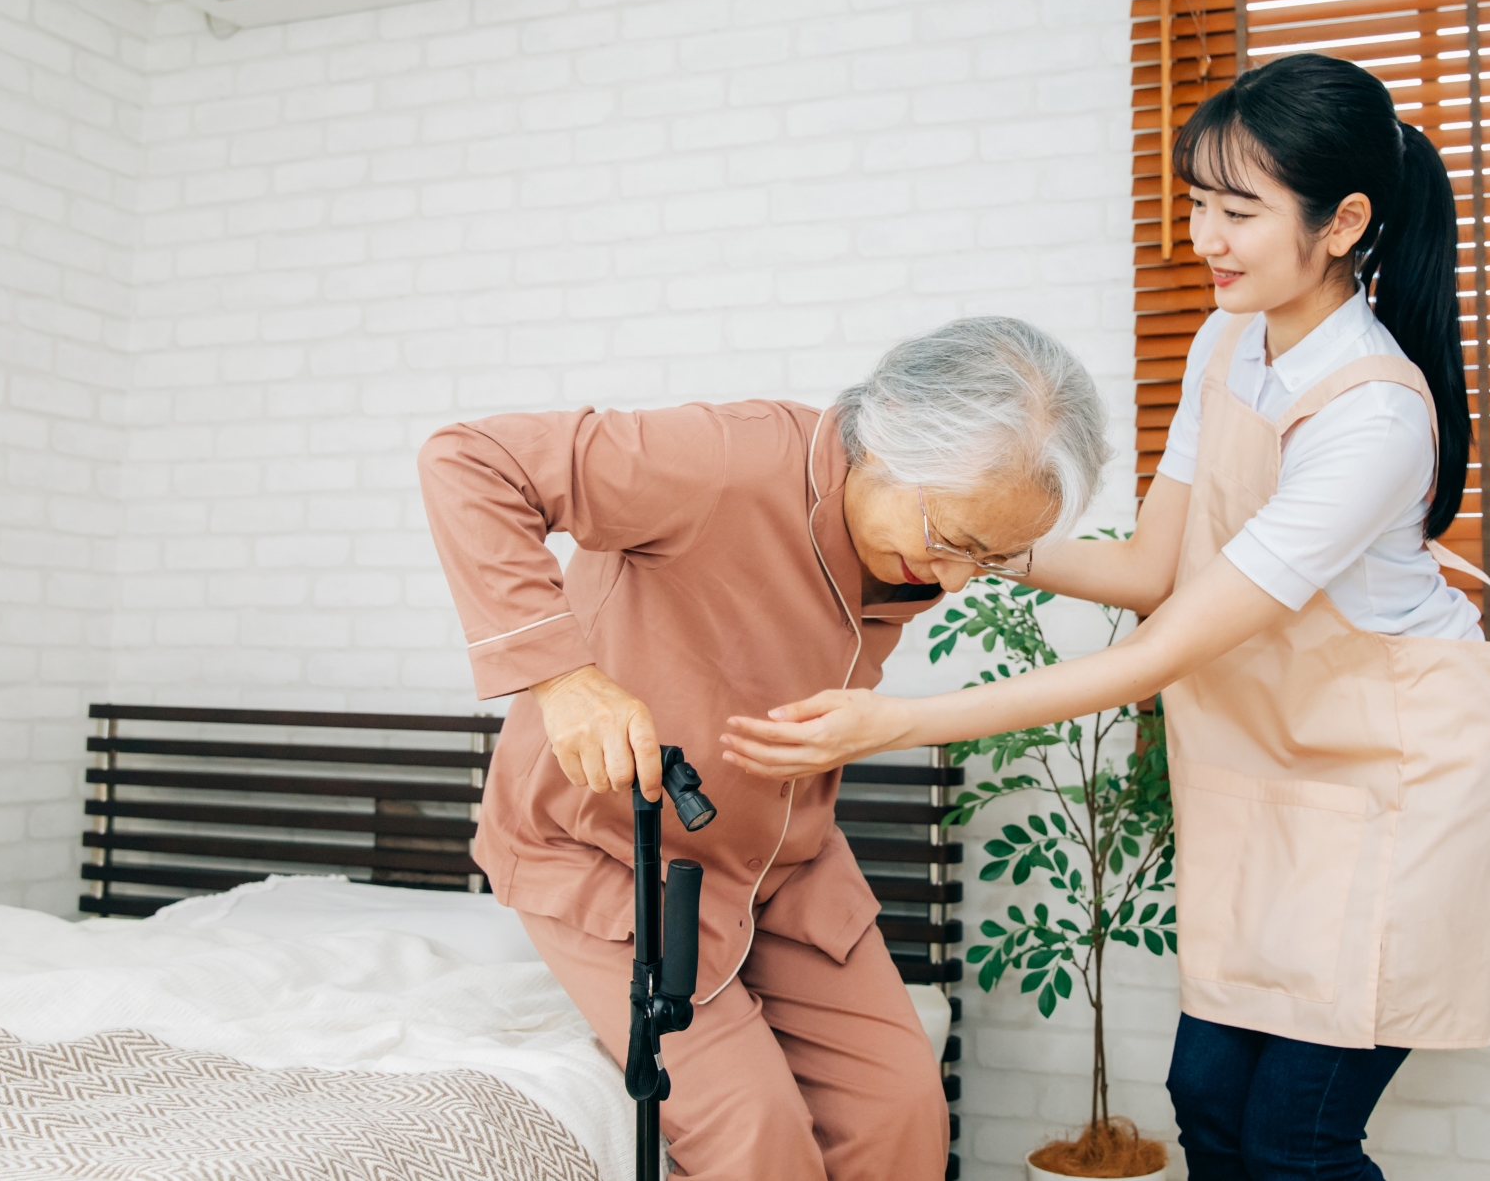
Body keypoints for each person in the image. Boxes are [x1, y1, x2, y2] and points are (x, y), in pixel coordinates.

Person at [721, 53, 1490, 1181]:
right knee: (1206, 1099)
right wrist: (970, 536)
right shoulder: (1226, 340)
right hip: (1269, 771)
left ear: (1344, 222)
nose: (1206, 235)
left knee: (1297, 1137)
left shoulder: (1375, 416)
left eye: (1239, 210)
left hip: (1399, 789)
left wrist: (894, 724)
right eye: (1199, 201)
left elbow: (1162, 648)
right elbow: (1159, 568)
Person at [417, 318, 1112, 1181]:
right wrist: (562, 679)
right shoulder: (722, 461)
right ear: (887, 436)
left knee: (901, 1108)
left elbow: (1151, 586)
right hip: (611, 857)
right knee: (757, 1133)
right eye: (954, 540)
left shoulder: (931, 532)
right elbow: (470, 459)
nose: (958, 580)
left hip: (785, 860)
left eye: (993, 558)